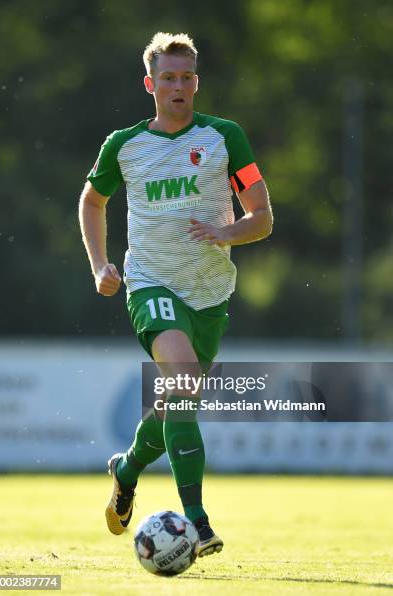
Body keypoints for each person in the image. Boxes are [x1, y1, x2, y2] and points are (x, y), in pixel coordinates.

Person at [79, 32, 273, 557]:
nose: (179, 86)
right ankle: (198, 521)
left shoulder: (225, 137)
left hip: (210, 293)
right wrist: (101, 264)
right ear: (150, 84)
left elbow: (262, 217)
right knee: (184, 378)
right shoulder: (124, 146)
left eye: (187, 77)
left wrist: (226, 234)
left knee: (175, 399)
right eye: (168, 77)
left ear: (197, 83)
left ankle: (126, 467)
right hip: (150, 284)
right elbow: (92, 202)